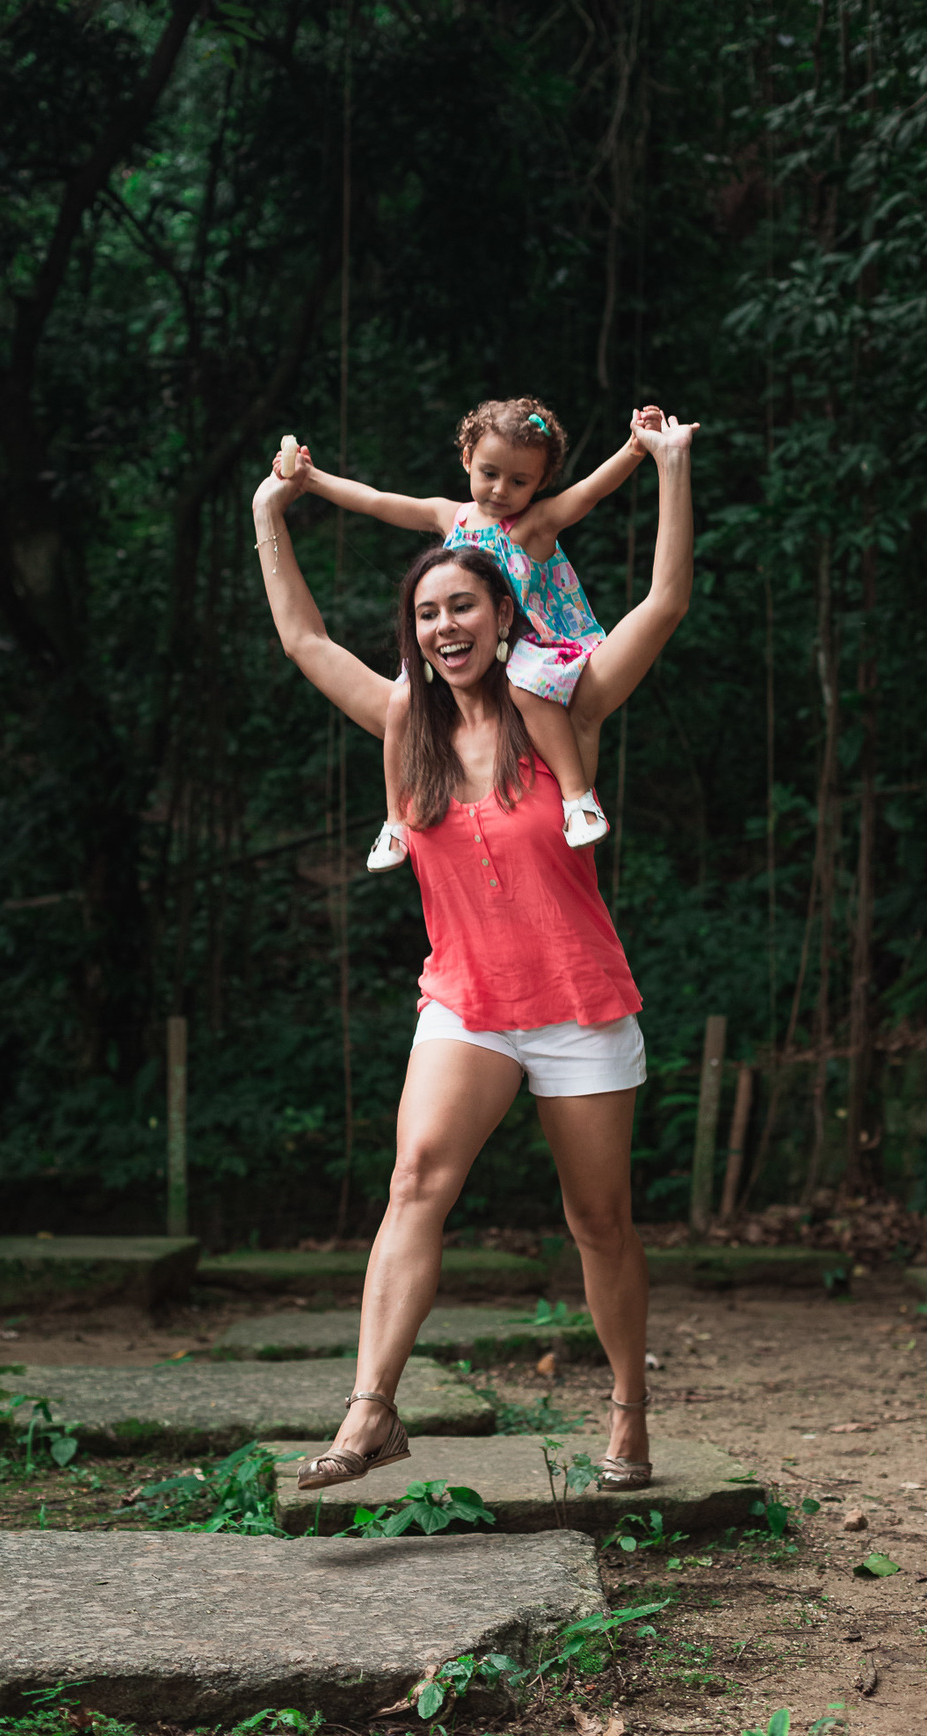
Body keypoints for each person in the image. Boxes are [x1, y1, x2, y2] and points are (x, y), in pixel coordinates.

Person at [251, 409, 698, 1493]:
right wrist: (274, 511)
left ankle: (630, 1409)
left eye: (463, 605)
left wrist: (671, 468)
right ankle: (370, 1414)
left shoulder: (569, 706)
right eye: (426, 612)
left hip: (581, 1006)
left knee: (597, 1220)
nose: (444, 624)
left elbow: (664, 603)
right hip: (466, 1006)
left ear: (505, 615)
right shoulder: (406, 722)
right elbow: (307, 642)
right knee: (414, 1182)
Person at [293, 398, 665, 869]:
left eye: (519, 481)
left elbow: (589, 493)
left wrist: (635, 448)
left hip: (523, 642)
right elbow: (378, 502)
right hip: (459, 648)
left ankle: (577, 797)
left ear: (541, 483)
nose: (500, 490)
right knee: (401, 703)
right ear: (467, 458)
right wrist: (312, 479)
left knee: (528, 688)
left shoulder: (533, 524)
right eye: (489, 473)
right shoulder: (451, 516)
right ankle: (394, 821)